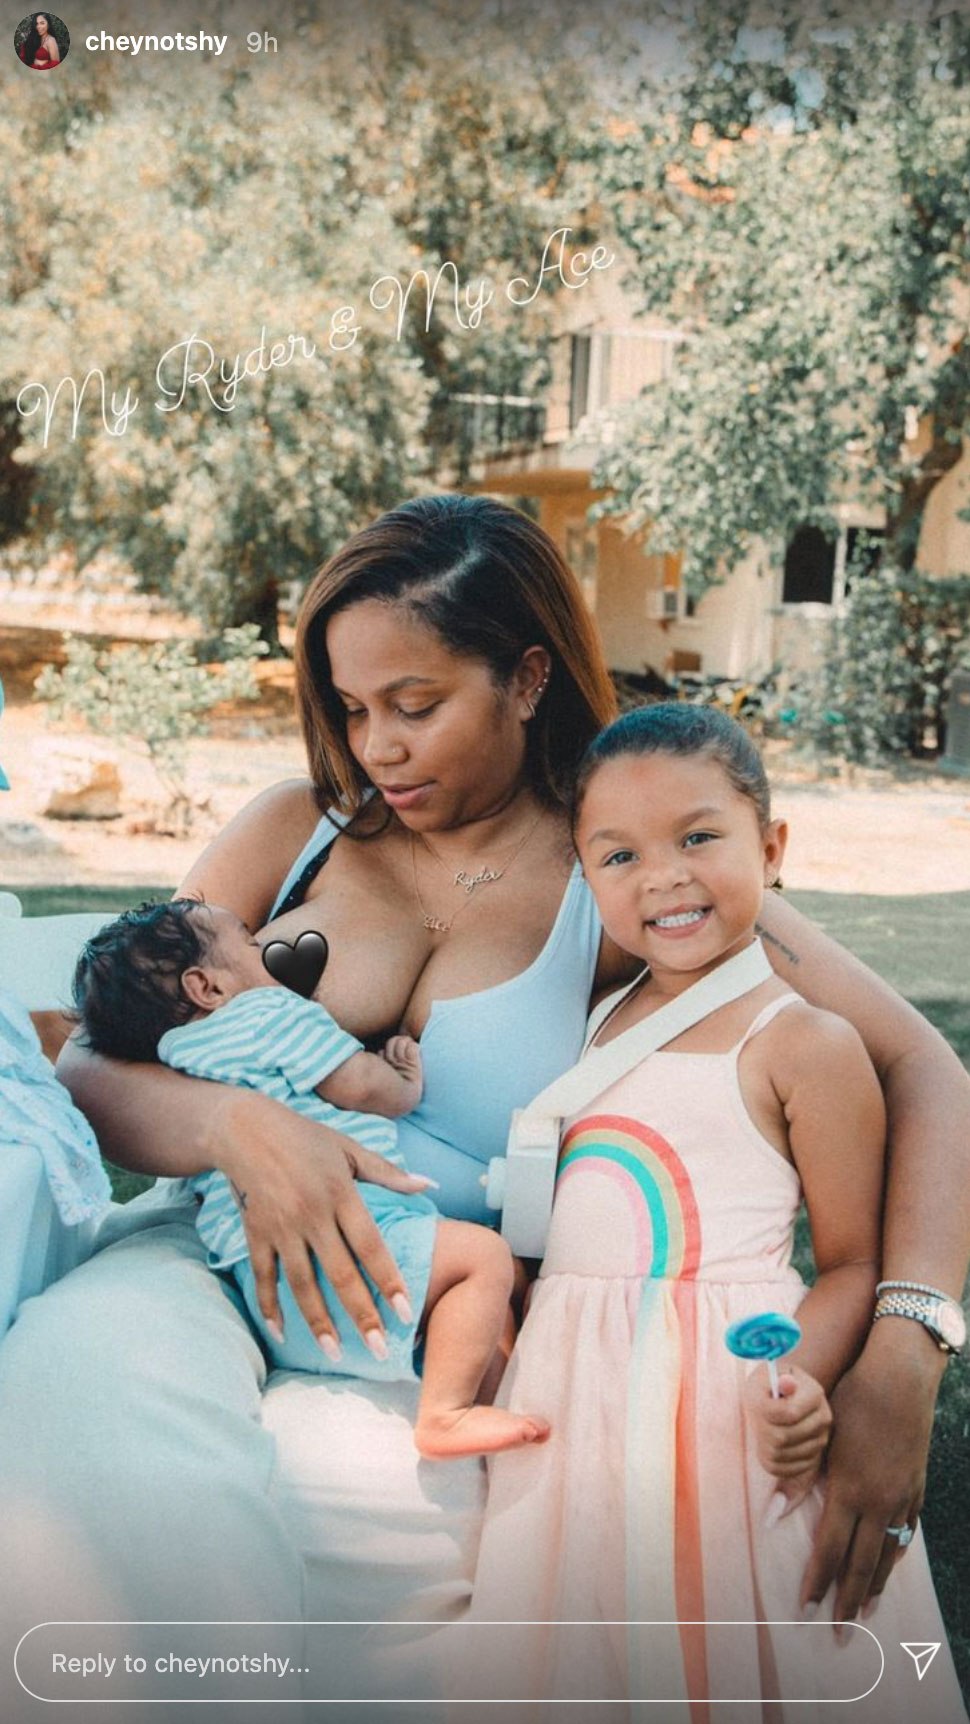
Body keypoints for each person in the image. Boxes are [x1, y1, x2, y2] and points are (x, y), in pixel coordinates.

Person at [0, 497, 967, 1717]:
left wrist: (906, 1346)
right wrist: (238, 1129)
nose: (378, 747)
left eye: (414, 705)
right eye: (352, 709)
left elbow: (925, 1069)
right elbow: (91, 1057)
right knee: (77, 1373)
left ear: (525, 676)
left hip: (436, 1286)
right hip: (210, 1245)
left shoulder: (622, 866)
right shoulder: (293, 830)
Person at [464, 704, 968, 1721]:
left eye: (698, 837)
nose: (663, 875)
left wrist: (798, 1379)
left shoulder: (805, 1041)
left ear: (770, 848)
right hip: (577, 1419)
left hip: (727, 1418)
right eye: (618, 854)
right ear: (585, 874)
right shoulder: (594, 1021)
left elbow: (849, 1263)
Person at [71, 897, 548, 1458]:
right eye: (249, 945)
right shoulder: (270, 1014)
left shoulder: (171, 1057)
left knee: (503, 1283)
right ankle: (447, 1415)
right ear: (208, 988)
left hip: (271, 1286)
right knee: (486, 1261)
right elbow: (362, 1089)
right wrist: (403, 1077)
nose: (262, 957)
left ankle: (481, 1410)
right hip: (353, 1239)